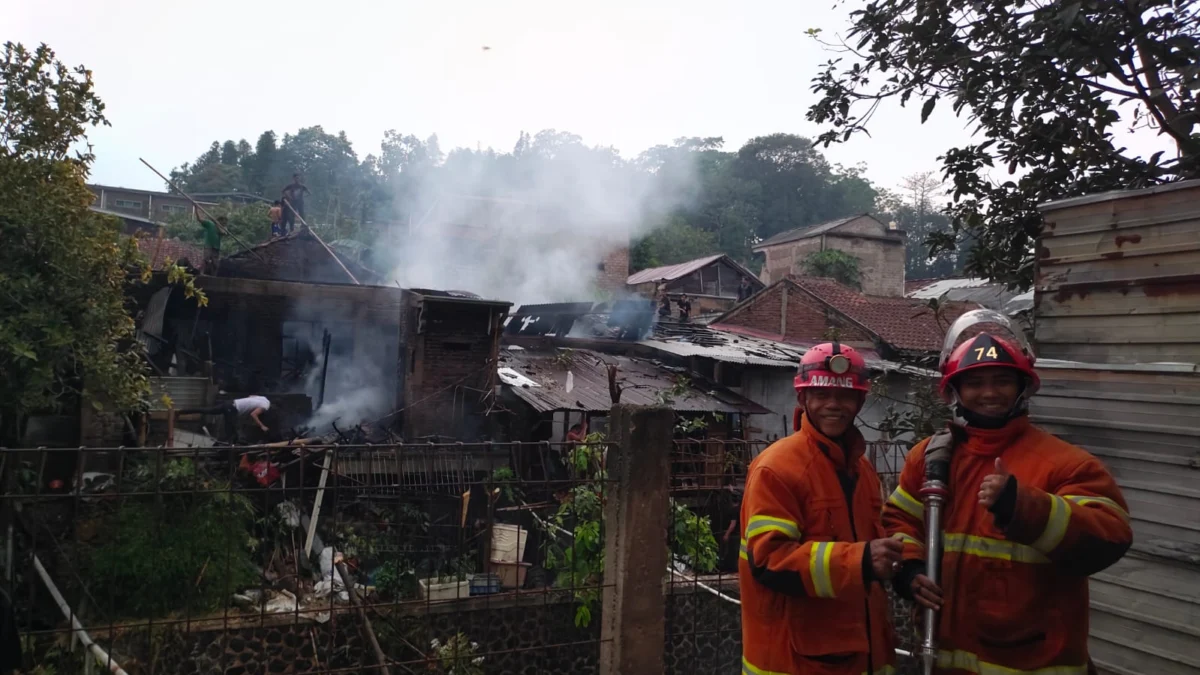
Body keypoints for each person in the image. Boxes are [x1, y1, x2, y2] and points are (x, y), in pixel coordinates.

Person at [883, 310, 1132, 675]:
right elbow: (900, 520)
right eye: (974, 383)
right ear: (955, 391)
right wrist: (909, 568)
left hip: (1032, 662)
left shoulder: (1067, 464)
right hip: (946, 658)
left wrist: (1024, 507)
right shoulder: (930, 456)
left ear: (1022, 387)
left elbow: (1109, 538)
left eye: (1001, 381)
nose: (989, 393)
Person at [739, 342, 899, 675]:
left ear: (859, 401)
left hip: (863, 657)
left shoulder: (863, 470)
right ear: (803, 399)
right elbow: (770, 562)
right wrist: (861, 560)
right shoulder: (777, 468)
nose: (833, 406)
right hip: (797, 662)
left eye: (844, 397)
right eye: (821, 395)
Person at [183, 394, 271, 444]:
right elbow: (253, 414)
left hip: (231, 403)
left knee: (208, 410)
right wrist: (262, 426)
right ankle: (223, 447)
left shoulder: (264, 399)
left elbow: (250, 396)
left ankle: (182, 412)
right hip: (232, 409)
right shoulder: (265, 407)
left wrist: (246, 406)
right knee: (232, 432)